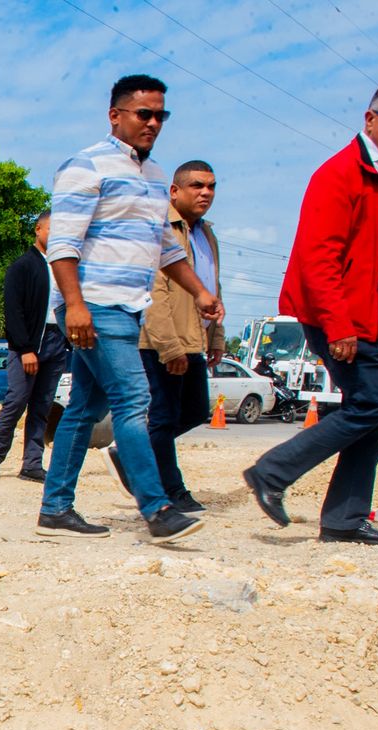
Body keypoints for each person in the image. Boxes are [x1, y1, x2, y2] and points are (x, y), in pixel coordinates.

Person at [243, 74, 378, 546]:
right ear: (371, 119)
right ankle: (272, 472)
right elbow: (317, 256)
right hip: (346, 318)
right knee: (372, 405)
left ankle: (345, 520)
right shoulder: (342, 173)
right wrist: (338, 324)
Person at [36, 74, 223, 543]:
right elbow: (62, 244)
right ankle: (157, 509)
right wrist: (74, 306)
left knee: (85, 407)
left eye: (161, 115)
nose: (154, 122)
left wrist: (200, 293)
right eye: (145, 113)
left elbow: (167, 249)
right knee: (135, 400)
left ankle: (55, 507)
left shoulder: (157, 177)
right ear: (115, 115)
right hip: (95, 306)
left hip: (129, 306)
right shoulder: (86, 166)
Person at [134, 160, 224, 513]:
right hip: (163, 340)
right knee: (165, 417)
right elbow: (156, 290)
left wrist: (216, 338)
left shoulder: (207, 233)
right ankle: (172, 491)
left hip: (195, 337)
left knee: (195, 411)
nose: (206, 193)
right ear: (174, 191)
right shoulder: (162, 228)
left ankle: (131, 451)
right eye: (197, 185)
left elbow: (213, 287)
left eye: (211, 186)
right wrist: (168, 346)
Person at [0, 210, 68, 481]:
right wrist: (25, 348)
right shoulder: (23, 266)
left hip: (57, 341)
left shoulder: (65, 268)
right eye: (53, 229)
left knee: (42, 405)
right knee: (16, 401)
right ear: (38, 230)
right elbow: (13, 310)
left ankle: (32, 464)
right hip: (29, 345)